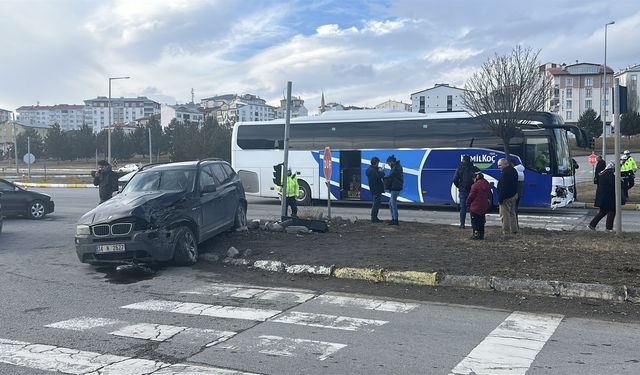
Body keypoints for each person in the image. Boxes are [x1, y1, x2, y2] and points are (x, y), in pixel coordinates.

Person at [452, 155, 479, 228]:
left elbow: (455, 180)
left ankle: (462, 224)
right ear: (470, 160)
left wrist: (459, 186)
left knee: (463, 208)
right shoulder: (475, 168)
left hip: (463, 191)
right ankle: (474, 224)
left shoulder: (460, 169)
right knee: (473, 208)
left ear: (463, 160)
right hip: (473, 190)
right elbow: (480, 178)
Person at [588, 161, 616, 232]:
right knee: (612, 211)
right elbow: (615, 184)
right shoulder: (609, 174)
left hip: (603, 196)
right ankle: (608, 228)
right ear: (612, 167)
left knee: (603, 211)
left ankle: (592, 225)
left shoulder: (604, 173)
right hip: (608, 197)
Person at [466, 172, 492, 240]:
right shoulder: (486, 184)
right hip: (483, 206)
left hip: (475, 206)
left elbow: (471, 196)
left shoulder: (475, 185)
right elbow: (489, 195)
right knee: (481, 221)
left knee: (475, 222)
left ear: (475, 178)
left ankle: (476, 235)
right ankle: (481, 235)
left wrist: (468, 203)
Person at [497, 157, 519, 236]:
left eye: (500, 165)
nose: (498, 167)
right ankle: (514, 230)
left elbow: (503, 187)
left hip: (506, 197)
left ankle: (506, 232)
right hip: (513, 195)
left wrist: (500, 198)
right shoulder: (513, 170)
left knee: (504, 215)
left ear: (504, 164)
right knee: (512, 213)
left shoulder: (505, 173)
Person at [383, 155, 403, 226]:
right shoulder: (396, 166)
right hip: (395, 187)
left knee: (393, 204)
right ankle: (393, 218)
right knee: (391, 203)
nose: (388, 165)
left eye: (388, 163)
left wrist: (383, 176)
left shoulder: (395, 167)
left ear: (391, 162)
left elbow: (390, 176)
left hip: (395, 187)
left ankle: (395, 220)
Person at [366, 157, 385, 223]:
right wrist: (382, 170)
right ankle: (374, 218)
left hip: (373, 188)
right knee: (376, 204)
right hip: (377, 189)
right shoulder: (374, 170)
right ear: (376, 162)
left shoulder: (369, 169)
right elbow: (380, 176)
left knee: (376, 203)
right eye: (378, 163)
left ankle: (374, 217)